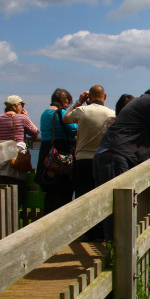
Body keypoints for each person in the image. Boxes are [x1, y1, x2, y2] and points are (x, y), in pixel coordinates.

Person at [94, 77, 150, 240]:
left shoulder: (142, 101)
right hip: (115, 156)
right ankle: (120, 256)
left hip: (104, 154)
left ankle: (114, 251)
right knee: (121, 209)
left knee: (109, 208)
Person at [63, 85, 115, 241]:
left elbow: (66, 118)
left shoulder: (82, 111)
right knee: (101, 196)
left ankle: (86, 232)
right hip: (103, 159)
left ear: (89, 97)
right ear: (104, 96)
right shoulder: (112, 113)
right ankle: (101, 233)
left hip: (83, 159)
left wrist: (78, 102)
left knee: (83, 196)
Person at [35, 88, 78, 215]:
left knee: (50, 193)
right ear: (64, 100)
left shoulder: (44, 113)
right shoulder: (61, 113)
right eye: (68, 102)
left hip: (46, 153)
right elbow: (74, 129)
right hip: (60, 155)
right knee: (63, 193)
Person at [0, 95, 40, 207]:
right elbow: (35, 133)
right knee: (17, 190)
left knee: (2, 191)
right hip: (17, 155)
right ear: (15, 106)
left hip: (1, 155)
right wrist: (27, 117)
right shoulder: (21, 118)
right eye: (21, 105)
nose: (22, 107)